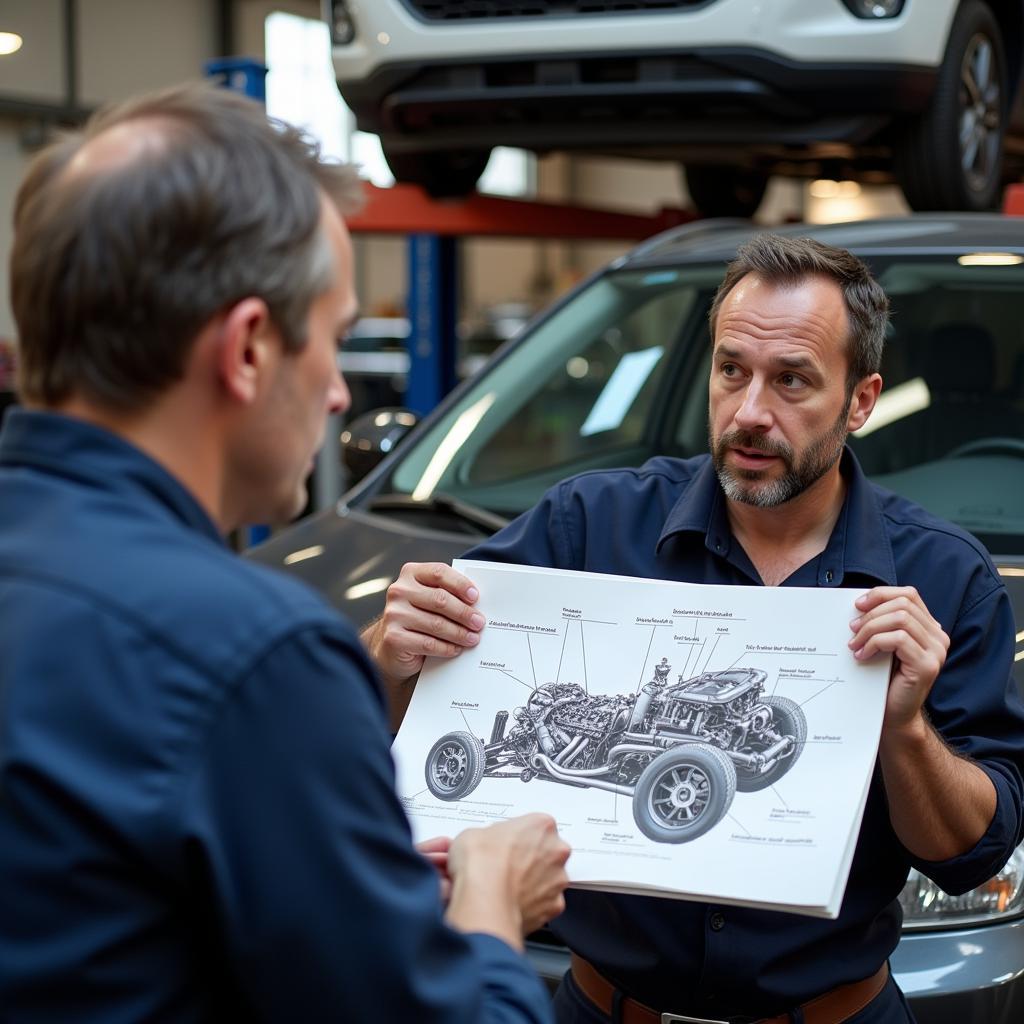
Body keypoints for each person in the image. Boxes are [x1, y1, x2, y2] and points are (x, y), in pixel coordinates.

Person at [0, 83, 571, 1022]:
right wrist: (490, 902)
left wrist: (353, 897)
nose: (342, 392)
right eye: (336, 339)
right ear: (250, 350)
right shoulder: (257, 656)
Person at [363, 234, 1024, 1023]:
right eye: (732, 371)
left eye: (791, 382)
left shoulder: (945, 581)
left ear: (861, 400)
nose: (750, 412)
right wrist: (390, 655)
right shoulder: (585, 527)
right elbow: (398, 717)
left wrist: (905, 730)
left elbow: (968, 858)